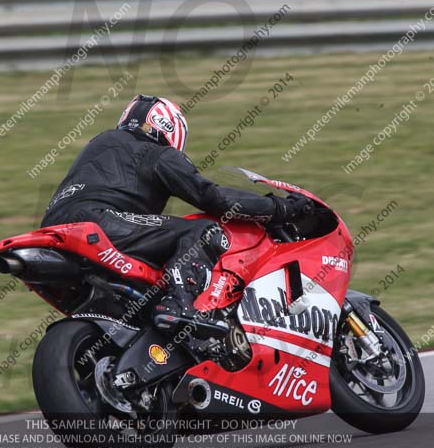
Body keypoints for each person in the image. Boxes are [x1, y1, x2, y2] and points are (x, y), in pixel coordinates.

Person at [41, 94, 312, 331]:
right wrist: (281, 208)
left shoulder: (99, 143)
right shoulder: (157, 153)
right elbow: (214, 198)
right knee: (202, 231)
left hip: (52, 227)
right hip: (100, 221)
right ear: (170, 128)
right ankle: (179, 307)